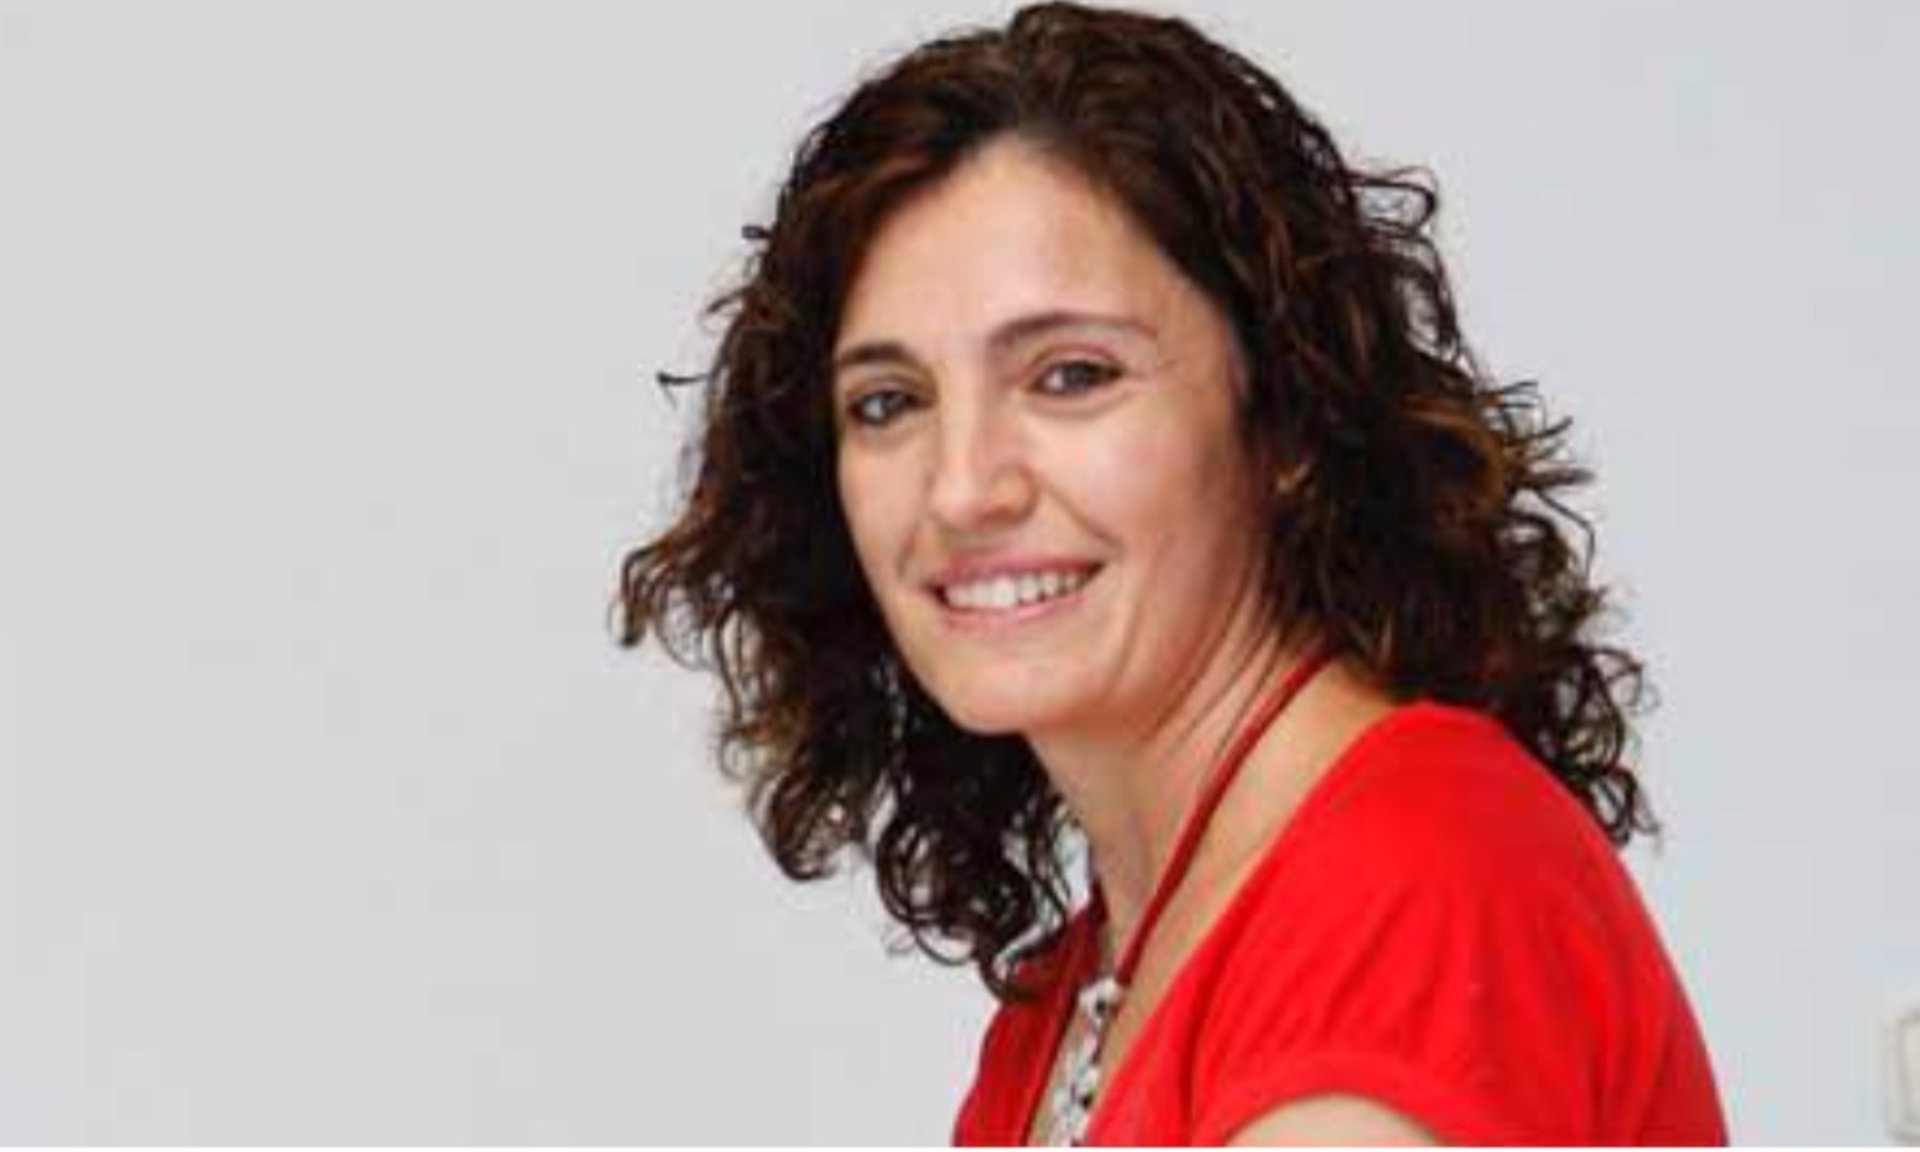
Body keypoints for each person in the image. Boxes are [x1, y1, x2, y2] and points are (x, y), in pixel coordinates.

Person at [616, 2, 1727, 1144]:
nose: (962, 487)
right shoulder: (1085, 987)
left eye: (1071, 376)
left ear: (1284, 417)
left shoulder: (1411, 894)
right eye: (889, 402)